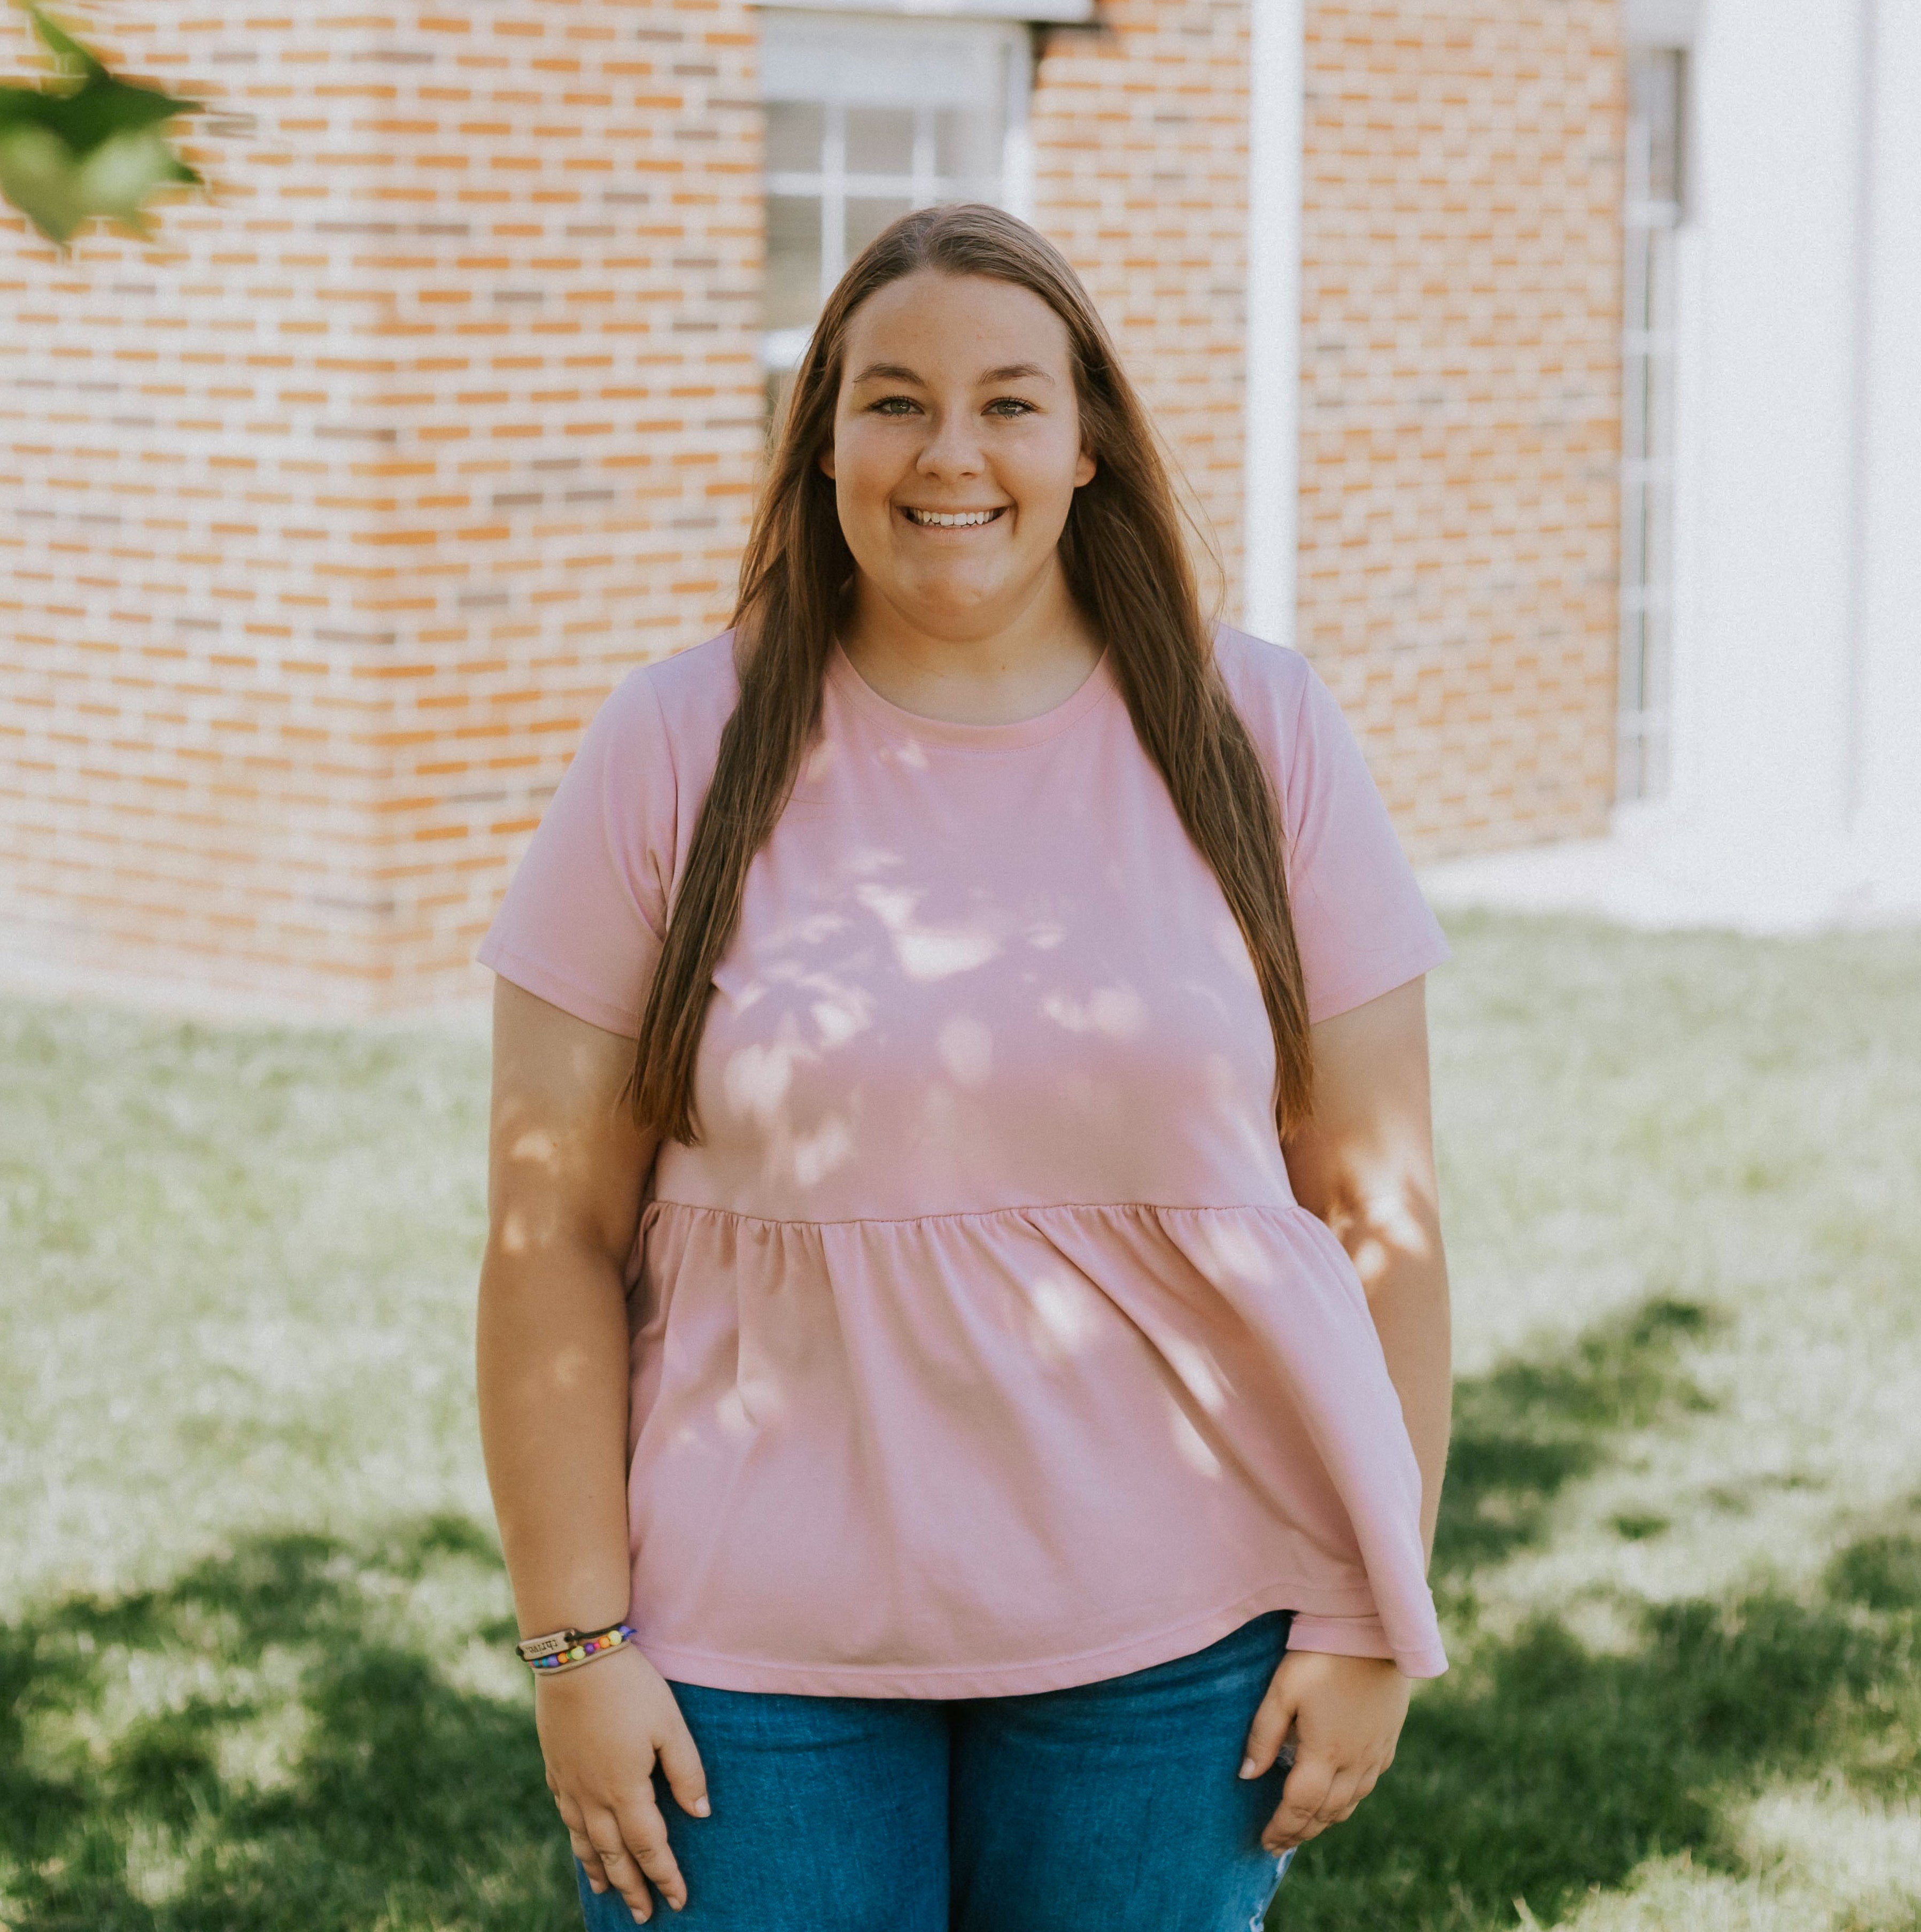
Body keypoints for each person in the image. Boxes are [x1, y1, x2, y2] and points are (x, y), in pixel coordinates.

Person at [474, 204, 1453, 1932]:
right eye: (892, 400)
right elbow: (547, 1228)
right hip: (744, 1663)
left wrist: (1375, 1607)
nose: (950, 453)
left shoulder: (1258, 734)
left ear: (1087, 450)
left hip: (1178, 1638)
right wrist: (575, 1644)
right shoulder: (670, 745)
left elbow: (1375, 1203)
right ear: (823, 441)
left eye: (1010, 402)